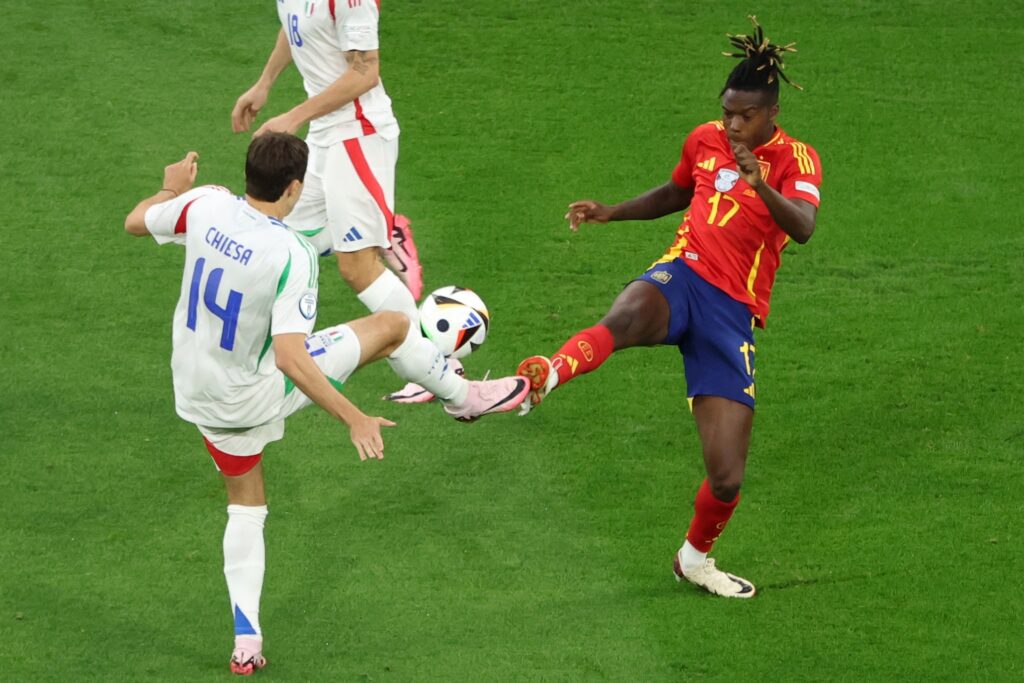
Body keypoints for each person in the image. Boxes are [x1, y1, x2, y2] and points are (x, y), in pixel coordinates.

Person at [124, 133, 528, 674]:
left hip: (194, 390)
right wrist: (354, 417)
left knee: (245, 503)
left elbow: (135, 220)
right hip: (253, 394)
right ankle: (463, 397)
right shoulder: (291, 255)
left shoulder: (206, 203)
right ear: (293, 188)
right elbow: (293, 358)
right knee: (391, 326)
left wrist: (170, 188)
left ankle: (248, 642)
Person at [516, 18, 822, 599]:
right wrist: (612, 211)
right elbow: (678, 191)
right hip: (683, 273)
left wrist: (761, 183)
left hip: (732, 311)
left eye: (745, 116)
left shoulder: (798, 161)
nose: (732, 124)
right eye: (727, 111)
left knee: (727, 475)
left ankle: (694, 559)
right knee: (624, 318)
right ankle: (546, 376)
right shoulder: (704, 139)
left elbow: (803, 228)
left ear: (771, 112)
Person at [231, 0, 424, 321]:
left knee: (357, 269)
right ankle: (383, 229)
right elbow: (295, 27)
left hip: (359, 134)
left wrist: (293, 118)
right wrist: (264, 83)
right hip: (324, 131)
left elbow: (365, 73)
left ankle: (438, 360)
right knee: (282, 232)